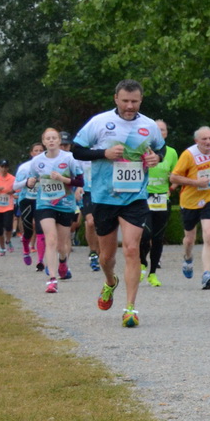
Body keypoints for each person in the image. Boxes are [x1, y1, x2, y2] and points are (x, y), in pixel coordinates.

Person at [71, 81, 166, 327]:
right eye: (125, 101)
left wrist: (157, 157)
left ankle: (130, 308)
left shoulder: (148, 126)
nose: (129, 106)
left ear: (141, 100)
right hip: (104, 197)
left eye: (134, 101)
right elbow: (76, 150)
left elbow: (161, 149)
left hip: (134, 196)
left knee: (132, 250)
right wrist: (103, 153)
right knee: (106, 256)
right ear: (116, 98)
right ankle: (110, 281)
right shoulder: (99, 122)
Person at [24, 129, 84, 293]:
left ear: (59, 141)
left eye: (54, 138)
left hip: (65, 203)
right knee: (50, 239)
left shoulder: (69, 158)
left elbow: (80, 181)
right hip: (45, 203)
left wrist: (62, 179)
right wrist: (30, 182)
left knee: (62, 245)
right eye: (48, 139)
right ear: (43, 142)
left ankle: (63, 261)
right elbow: (32, 179)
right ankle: (52, 279)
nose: (51, 141)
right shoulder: (37, 161)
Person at [171, 126, 210, 289]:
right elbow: (174, 177)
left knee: (209, 234)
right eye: (204, 139)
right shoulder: (189, 155)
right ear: (196, 141)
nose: (208, 142)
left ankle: (207, 273)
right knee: (189, 239)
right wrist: (196, 183)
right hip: (189, 200)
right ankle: (188, 258)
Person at [142, 121, 175, 286]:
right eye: (156, 130)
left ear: (166, 133)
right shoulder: (141, 149)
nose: (159, 132)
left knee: (157, 237)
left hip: (162, 199)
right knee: (144, 234)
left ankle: (152, 273)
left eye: (162, 130)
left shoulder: (171, 153)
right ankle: (142, 262)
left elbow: (176, 174)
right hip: (143, 198)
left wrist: (172, 187)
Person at [17, 142, 43, 267]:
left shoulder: (48, 166)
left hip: (42, 200)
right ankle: (26, 249)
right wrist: (26, 182)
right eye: (36, 151)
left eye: (40, 151)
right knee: (28, 230)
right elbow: (15, 186)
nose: (38, 153)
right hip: (26, 200)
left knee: (40, 229)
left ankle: (40, 260)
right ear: (31, 153)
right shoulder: (25, 167)